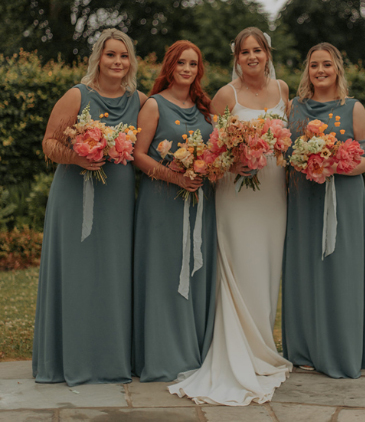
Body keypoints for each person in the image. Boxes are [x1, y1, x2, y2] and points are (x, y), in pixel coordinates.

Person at [169, 27, 292, 405]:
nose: (252, 57)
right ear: (236, 58)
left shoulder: (283, 90)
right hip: (236, 193)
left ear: (267, 54)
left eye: (258, 50)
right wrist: (234, 163)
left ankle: (263, 345)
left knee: (268, 266)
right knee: (241, 264)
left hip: (273, 192)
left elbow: (287, 143)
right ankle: (240, 350)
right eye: (245, 52)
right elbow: (212, 152)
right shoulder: (226, 95)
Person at [33, 29, 146, 385]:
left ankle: (111, 361)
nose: (117, 62)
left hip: (117, 201)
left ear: (131, 62)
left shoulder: (140, 101)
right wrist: (77, 157)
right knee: (77, 274)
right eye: (111, 54)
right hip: (75, 194)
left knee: (114, 275)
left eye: (124, 56)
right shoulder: (77, 95)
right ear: (98, 58)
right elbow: (49, 143)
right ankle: (71, 359)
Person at [282, 42, 365, 378]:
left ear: (337, 68)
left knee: (341, 271)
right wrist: (304, 161)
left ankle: (342, 350)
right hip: (304, 200)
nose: (320, 70)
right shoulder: (294, 108)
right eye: (314, 65)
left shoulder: (353, 108)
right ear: (307, 71)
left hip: (344, 199)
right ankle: (304, 349)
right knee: (304, 269)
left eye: (326, 64)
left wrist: (333, 165)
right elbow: (286, 152)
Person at [132, 40, 217, 382]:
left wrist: (210, 169)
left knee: (198, 271)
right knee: (163, 273)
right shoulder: (154, 105)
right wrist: (174, 177)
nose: (187, 69)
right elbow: (138, 155)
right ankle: (163, 355)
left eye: (193, 64)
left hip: (201, 202)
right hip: (161, 203)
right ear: (170, 66)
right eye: (181, 62)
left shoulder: (205, 108)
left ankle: (196, 350)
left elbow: (216, 151)